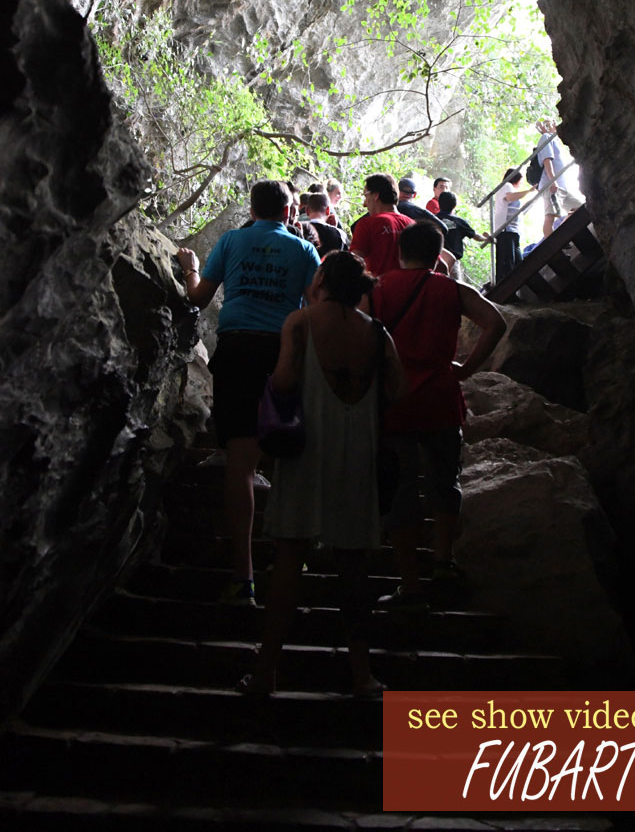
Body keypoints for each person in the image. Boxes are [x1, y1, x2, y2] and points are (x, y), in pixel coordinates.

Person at [238, 251, 403, 698]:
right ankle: (362, 675)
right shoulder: (377, 331)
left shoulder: (301, 322)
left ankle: (266, 672)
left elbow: (284, 380)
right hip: (358, 449)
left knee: (289, 557)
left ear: (324, 279)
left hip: (308, 447)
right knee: (353, 566)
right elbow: (398, 388)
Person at [177, 180, 320, 607]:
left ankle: (244, 578)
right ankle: (291, 555)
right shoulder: (303, 249)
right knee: (288, 456)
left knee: (240, 464)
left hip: (238, 350)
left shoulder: (232, 241)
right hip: (283, 353)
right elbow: (316, 308)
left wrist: (190, 267)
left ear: (253, 209)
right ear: (289, 211)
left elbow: (199, 297)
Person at [372, 223, 506, 614]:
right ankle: (444, 562)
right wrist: (467, 369)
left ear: (400, 251)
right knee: (445, 483)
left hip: (394, 402)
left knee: (399, 491)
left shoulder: (378, 289)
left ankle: (410, 585)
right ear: (437, 256)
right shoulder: (452, 289)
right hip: (441, 399)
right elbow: (495, 322)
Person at [350, 172, 413, 276]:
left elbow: (352, 265)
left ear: (376, 195)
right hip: (410, 286)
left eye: (366, 196)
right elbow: (438, 264)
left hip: (377, 285)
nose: (364, 204)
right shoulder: (413, 225)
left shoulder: (367, 224)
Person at [536, 120, 584, 239]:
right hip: (551, 184)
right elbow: (547, 160)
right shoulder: (546, 137)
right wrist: (553, 181)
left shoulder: (554, 141)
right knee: (550, 215)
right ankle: (552, 242)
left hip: (561, 186)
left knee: (578, 208)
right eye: (550, 124)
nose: (554, 126)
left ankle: (561, 235)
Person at [436, 190, 489, 280]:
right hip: (453, 262)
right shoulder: (459, 222)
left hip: (436, 260)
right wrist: (486, 238)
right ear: (454, 205)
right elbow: (476, 236)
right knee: (455, 286)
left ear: (439, 203)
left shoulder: (433, 219)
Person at [492, 167, 533, 280]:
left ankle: (517, 284)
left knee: (516, 261)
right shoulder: (507, 186)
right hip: (506, 229)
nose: (521, 184)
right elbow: (510, 197)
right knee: (508, 261)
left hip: (512, 230)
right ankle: (506, 284)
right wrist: (528, 191)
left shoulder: (510, 188)